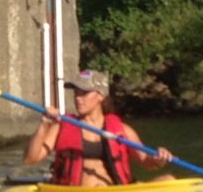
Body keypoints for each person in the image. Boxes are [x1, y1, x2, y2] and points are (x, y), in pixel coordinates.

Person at [23, 68, 173, 186]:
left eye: (84, 93)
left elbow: (147, 162)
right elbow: (30, 159)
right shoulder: (61, 127)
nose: (77, 98)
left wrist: (159, 158)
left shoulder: (122, 130)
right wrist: (44, 124)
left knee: (169, 179)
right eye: (76, 93)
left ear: (100, 96)